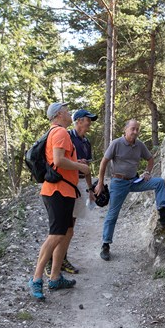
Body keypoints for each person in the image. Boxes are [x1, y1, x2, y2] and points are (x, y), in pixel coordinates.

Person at [94, 119, 165, 261]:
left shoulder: (139, 145)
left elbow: (150, 159)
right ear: (126, 129)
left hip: (134, 181)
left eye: (137, 129)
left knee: (159, 182)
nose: (135, 132)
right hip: (118, 183)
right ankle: (105, 245)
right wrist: (100, 182)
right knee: (112, 214)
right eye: (133, 129)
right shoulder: (116, 143)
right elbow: (103, 162)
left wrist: (147, 172)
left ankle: (164, 216)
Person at [28, 102, 90, 300]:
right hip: (57, 191)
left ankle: (55, 277)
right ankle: (36, 279)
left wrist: (75, 164)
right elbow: (58, 161)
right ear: (59, 114)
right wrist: (81, 168)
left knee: (65, 233)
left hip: (62, 191)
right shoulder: (61, 133)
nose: (69, 112)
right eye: (66, 110)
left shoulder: (56, 132)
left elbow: (62, 161)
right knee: (55, 235)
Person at [44, 109, 98, 277]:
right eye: (88, 119)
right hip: (63, 184)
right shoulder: (66, 135)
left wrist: (90, 189)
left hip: (79, 183)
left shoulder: (86, 142)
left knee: (70, 226)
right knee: (60, 227)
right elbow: (57, 159)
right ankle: (51, 263)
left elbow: (87, 168)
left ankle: (60, 260)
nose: (90, 123)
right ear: (79, 121)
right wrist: (76, 163)